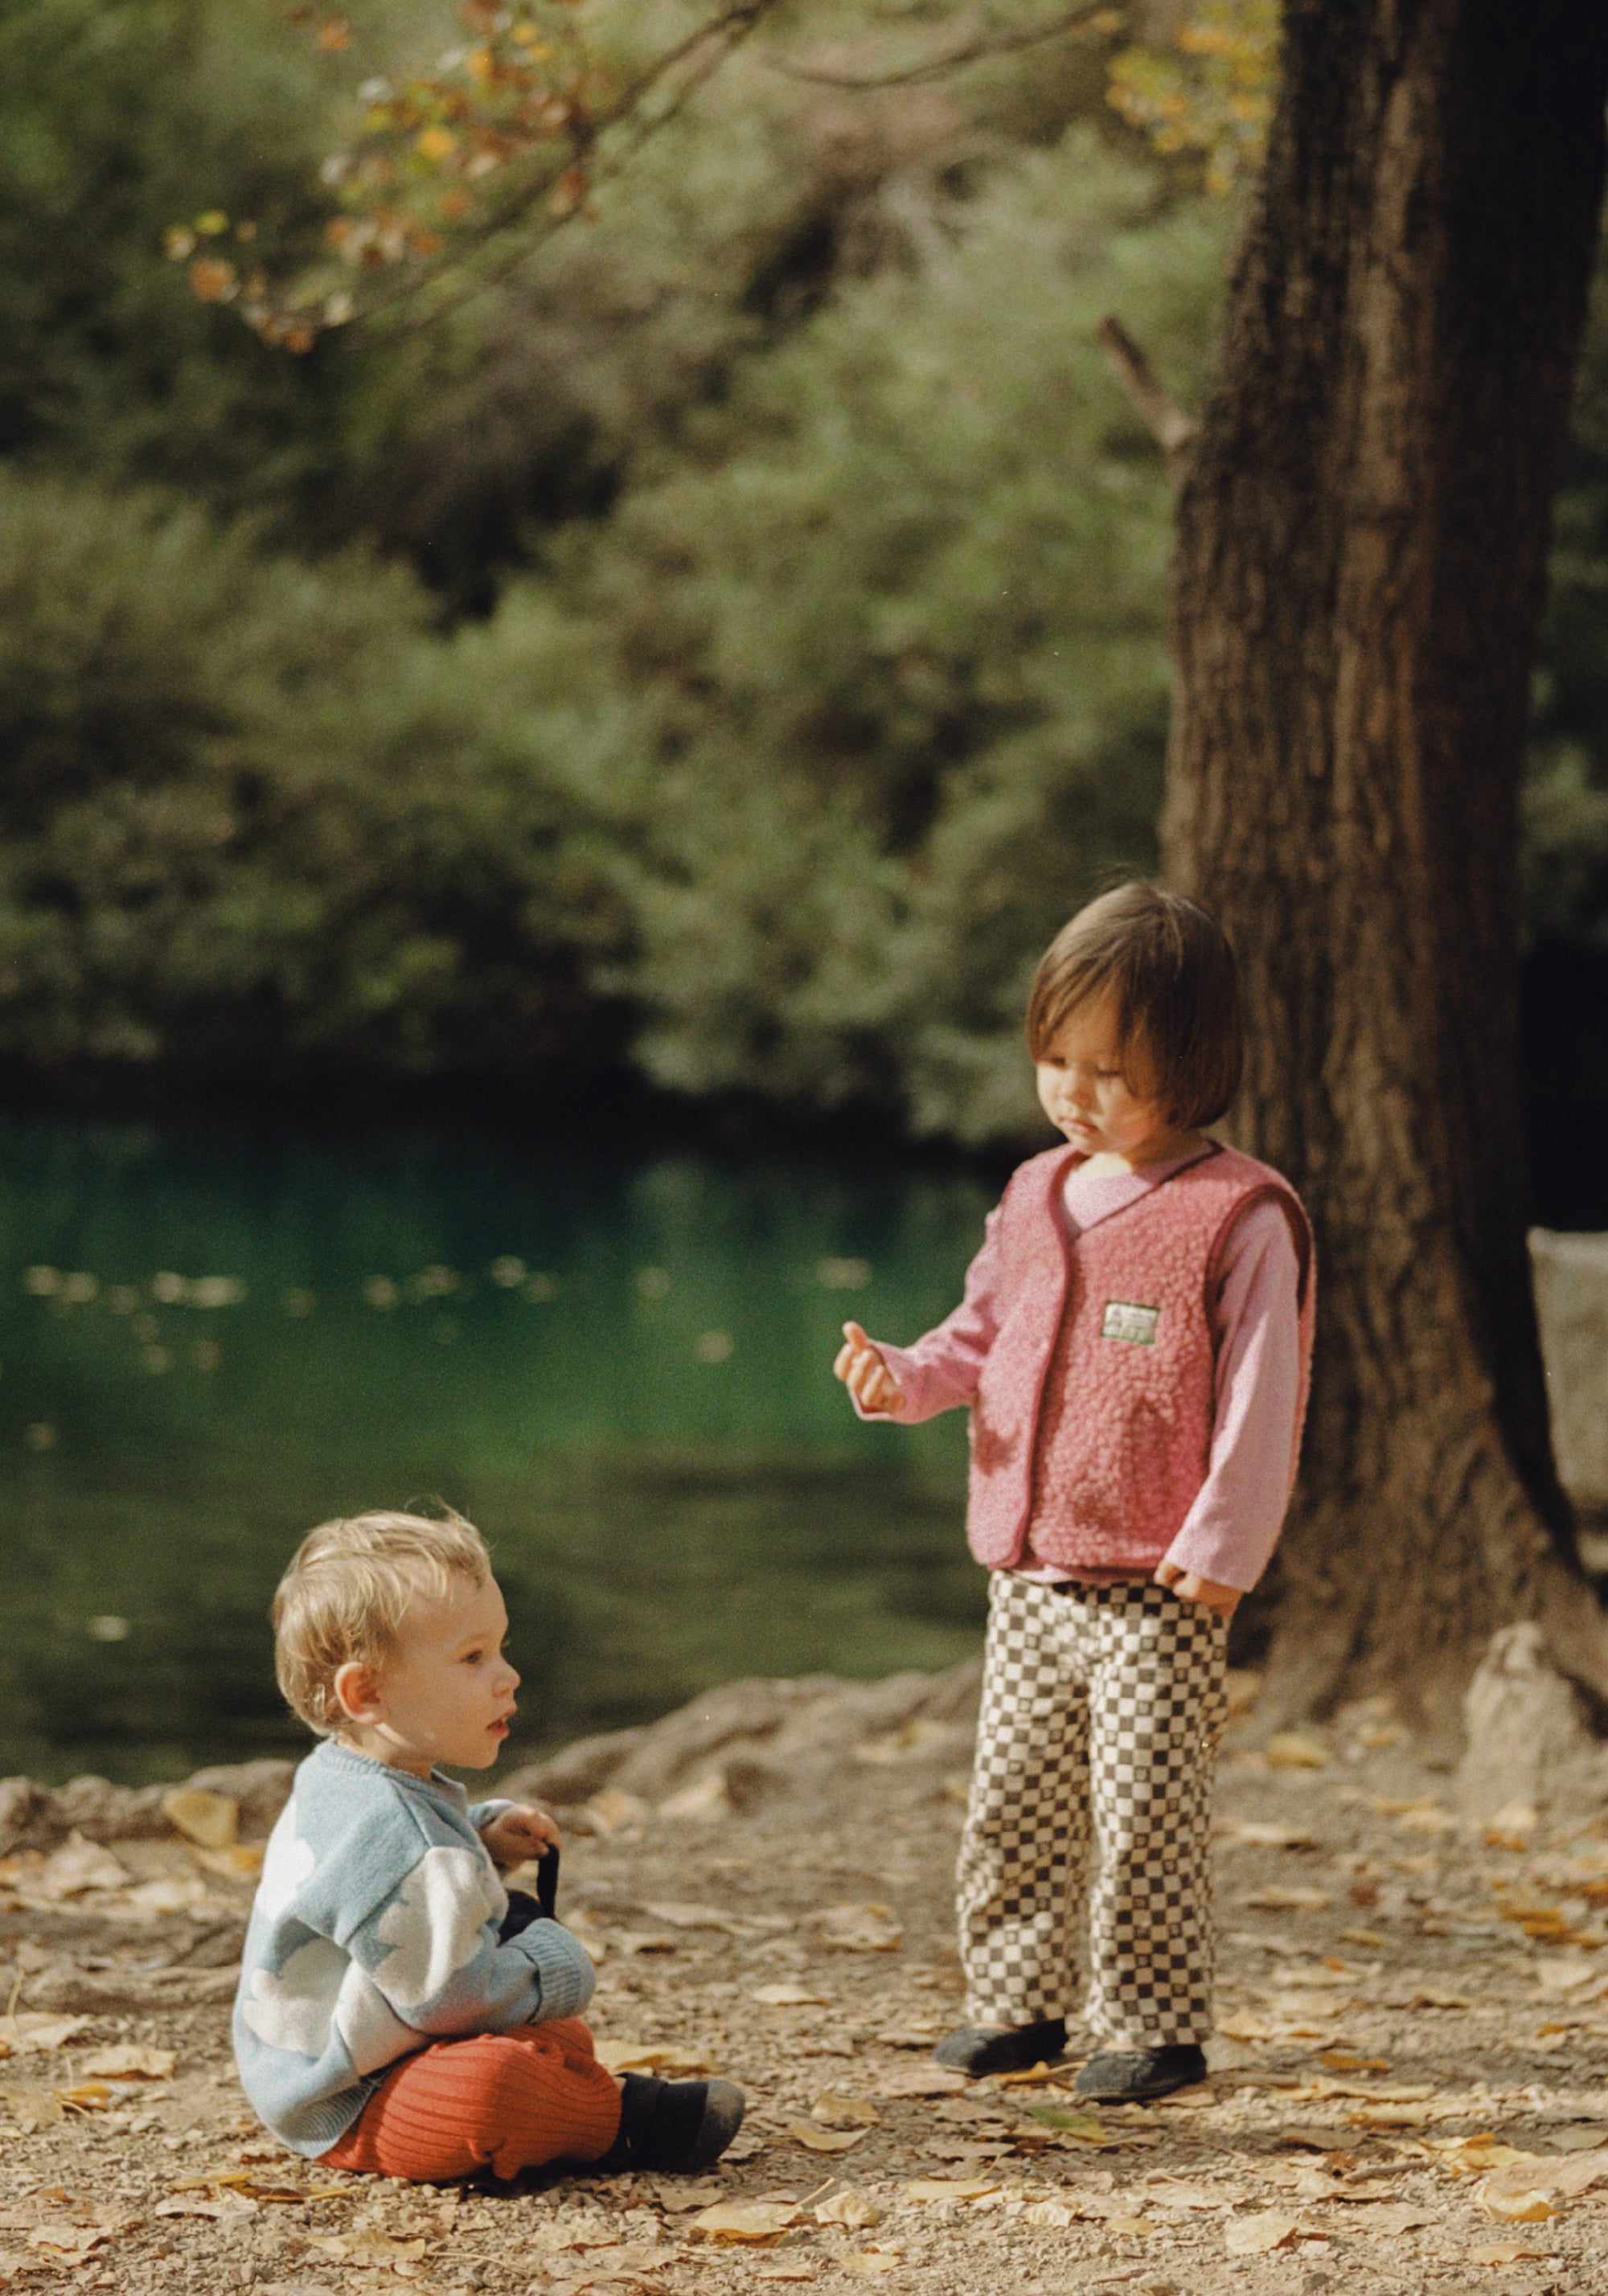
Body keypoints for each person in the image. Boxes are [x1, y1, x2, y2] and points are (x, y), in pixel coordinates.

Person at [834, 884, 1315, 2102]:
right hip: (1030, 1576)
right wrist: (903, 1377)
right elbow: (979, 1332)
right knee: (1015, 1799)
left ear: (1192, 1065)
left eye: (1110, 1070)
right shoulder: (1035, 1192)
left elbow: (1263, 1394)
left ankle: (1155, 2025)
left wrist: (1224, 1547)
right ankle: (1017, 2004)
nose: (1073, 1091)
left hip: (1160, 1584)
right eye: (1056, 1059)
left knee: (1146, 1810)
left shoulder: (1237, 1214)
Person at [232, 1507, 745, 2178]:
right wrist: (555, 1963)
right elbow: (452, 2000)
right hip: (349, 2100)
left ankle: (559, 2093)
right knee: (494, 2089)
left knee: (558, 2035)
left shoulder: (343, 1774)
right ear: (367, 1691)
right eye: (473, 1658)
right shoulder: (401, 1831)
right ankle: (616, 2120)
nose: (508, 1676)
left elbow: (384, 1876)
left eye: (500, 1649)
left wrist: (482, 1839)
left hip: (331, 2056)